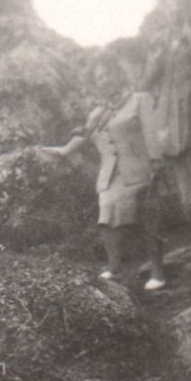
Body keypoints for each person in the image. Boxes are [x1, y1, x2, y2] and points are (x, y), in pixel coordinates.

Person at [41, 52, 166, 290]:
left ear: (117, 75)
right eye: (99, 77)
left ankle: (158, 272)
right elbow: (85, 134)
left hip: (140, 169)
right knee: (106, 214)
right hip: (111, 175)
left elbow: (151, 132)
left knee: (150, 220)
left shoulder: (139, 100)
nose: (104, 80)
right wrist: (64, 151)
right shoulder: (98, 113)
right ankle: (114, 269)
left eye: (107, 74)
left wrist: (157, 164)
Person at [140, 0, 191, 210]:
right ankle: (186, 201)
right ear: (165, 9)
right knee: (174, 151)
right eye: (170, 4)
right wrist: (155, 60)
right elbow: (150, 75)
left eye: (180, 4)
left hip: (189, 97)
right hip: (167, 101)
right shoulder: (158, 38)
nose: (175, 9)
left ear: (187, 7)